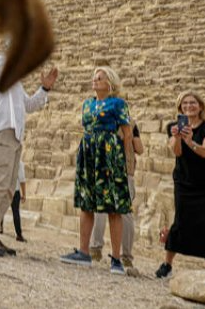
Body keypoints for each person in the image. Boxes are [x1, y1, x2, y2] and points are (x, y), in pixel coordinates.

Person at [0, 52, 58, 257]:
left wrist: (44, 88)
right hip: (1, 130)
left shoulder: (16, 85)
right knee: (0, 181)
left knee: (9, 187)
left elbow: (30, 105)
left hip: (15, 136)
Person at [60, 67, 132, 275]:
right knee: (86, 202)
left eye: (99, 78)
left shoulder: (118, 104)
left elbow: (126, 134)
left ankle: (116, 259)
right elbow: (86, 127)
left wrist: (126, 163)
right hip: (89, 153)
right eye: (93, 77)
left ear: (110, 82)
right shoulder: (87, 104)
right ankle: (84, 252)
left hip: (109, 155)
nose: (94, 80)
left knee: (114, 207)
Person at [156, 91, 205, 278]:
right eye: (185, 103)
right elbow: (177, 152)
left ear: (200, 106)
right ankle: (167, 264)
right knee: (181, 219)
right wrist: (179, 138)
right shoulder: (173, 127)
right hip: (185, 180)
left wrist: (190, 141)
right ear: (180, 107)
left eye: (193, 103)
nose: (189, 106)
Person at [88, 121, 144, 273]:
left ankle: (95, 248)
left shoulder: (99, 120)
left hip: (103, 169)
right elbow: (139, 149)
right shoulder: (130, 125)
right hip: (125, 172)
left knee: (100, 208)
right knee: (125, 213)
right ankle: (125, 256)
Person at [8, 160, 27, 242]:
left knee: (0, 209)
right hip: (15, 190)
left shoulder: (6, 159)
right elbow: (22, 180)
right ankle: (18, 235)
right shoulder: (19, 163)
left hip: (4, 188)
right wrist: (24, 194)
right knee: (16, 213)